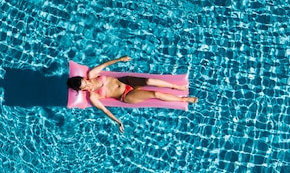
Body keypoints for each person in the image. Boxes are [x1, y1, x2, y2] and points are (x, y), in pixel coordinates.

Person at [66, 56, 197, 133]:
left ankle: (176, 86)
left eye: (86, 82)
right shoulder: (93, 96)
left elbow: (105, 64)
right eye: (85, 86)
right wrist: (118, 122)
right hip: (126, 95)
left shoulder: (92, 74)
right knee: (155, 93)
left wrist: (120, 59)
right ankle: (183, 99)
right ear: (82, 90)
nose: (88, 84)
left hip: (125, 80)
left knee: (149, 81)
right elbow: (105, 110)